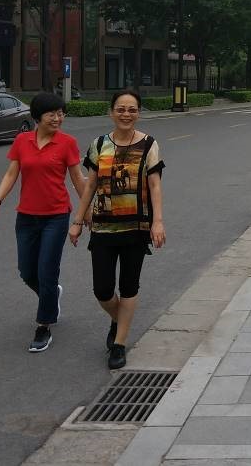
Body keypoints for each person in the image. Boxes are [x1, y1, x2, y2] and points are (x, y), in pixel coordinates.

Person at [69, 90, 165, 370]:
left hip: (136, 226)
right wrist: (77, 221)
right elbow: (90, 185)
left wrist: (158, 221)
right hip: (103, 227)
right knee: (102, 290)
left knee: (129, 285)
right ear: (111, 112)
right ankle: (117, 318)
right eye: (121, 109)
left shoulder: (149, 144)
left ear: (139, 113)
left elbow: (155, 186)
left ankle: (120, 344)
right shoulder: (99, 144)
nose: (126, 114)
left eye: (132, 109)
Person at [0, 92, 87, 352]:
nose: (58, 118)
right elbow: (12, 173)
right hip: (27, 217)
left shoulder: (67, 143)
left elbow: (78, 178)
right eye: (52, 114)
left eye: (61, 113)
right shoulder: (22, 140)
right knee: (27, 271)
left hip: (56, 215)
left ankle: (44, 326)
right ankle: (51, 294)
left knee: (46, 271)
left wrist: (85, 213)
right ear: (38, 117)